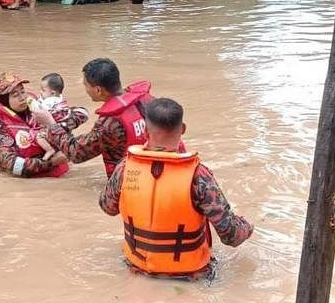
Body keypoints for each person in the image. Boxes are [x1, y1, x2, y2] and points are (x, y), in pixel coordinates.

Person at [99, 98, 253, 279]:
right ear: (183, 129)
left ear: (146, 131)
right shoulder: (198, 175)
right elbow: (231, 235)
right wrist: (248, 226)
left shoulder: (124, 168)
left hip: (136, 270)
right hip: (189, 276)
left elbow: (107, 207)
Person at [32, 57, 185, 177]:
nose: (85, 88)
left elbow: (76, 153)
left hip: (133, 182)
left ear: (98, 90)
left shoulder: (110, 123)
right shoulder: (148, 100)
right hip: (167, 170)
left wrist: (51, 124)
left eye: (85, 85)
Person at [0, 72, 89, 177]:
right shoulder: (1, 130)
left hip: (63, 175)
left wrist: (54, 124)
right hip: (33, 183)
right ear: (5, 102)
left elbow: (80, 114)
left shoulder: (40, 109)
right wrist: (52, 162)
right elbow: (10, 165)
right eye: (15, 95)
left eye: (23, 92)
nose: (22, 98)